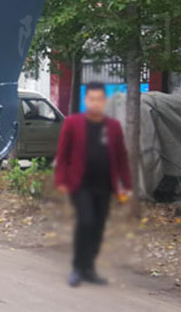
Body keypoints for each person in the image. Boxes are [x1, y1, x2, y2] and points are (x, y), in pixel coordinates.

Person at [54, 81, 132, 287]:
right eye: (91, 99)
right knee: (86, 222)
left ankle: (89, 268)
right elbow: (62, 154)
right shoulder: (72, 123)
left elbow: (121, 156)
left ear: (104, 101)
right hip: (80, 184)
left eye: (99, 99)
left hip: (105, 185)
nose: (95, 103)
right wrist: (61, 180)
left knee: (98, 227)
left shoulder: (113, 126)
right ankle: (78, 268)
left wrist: (127, 184)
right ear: (85, 100)